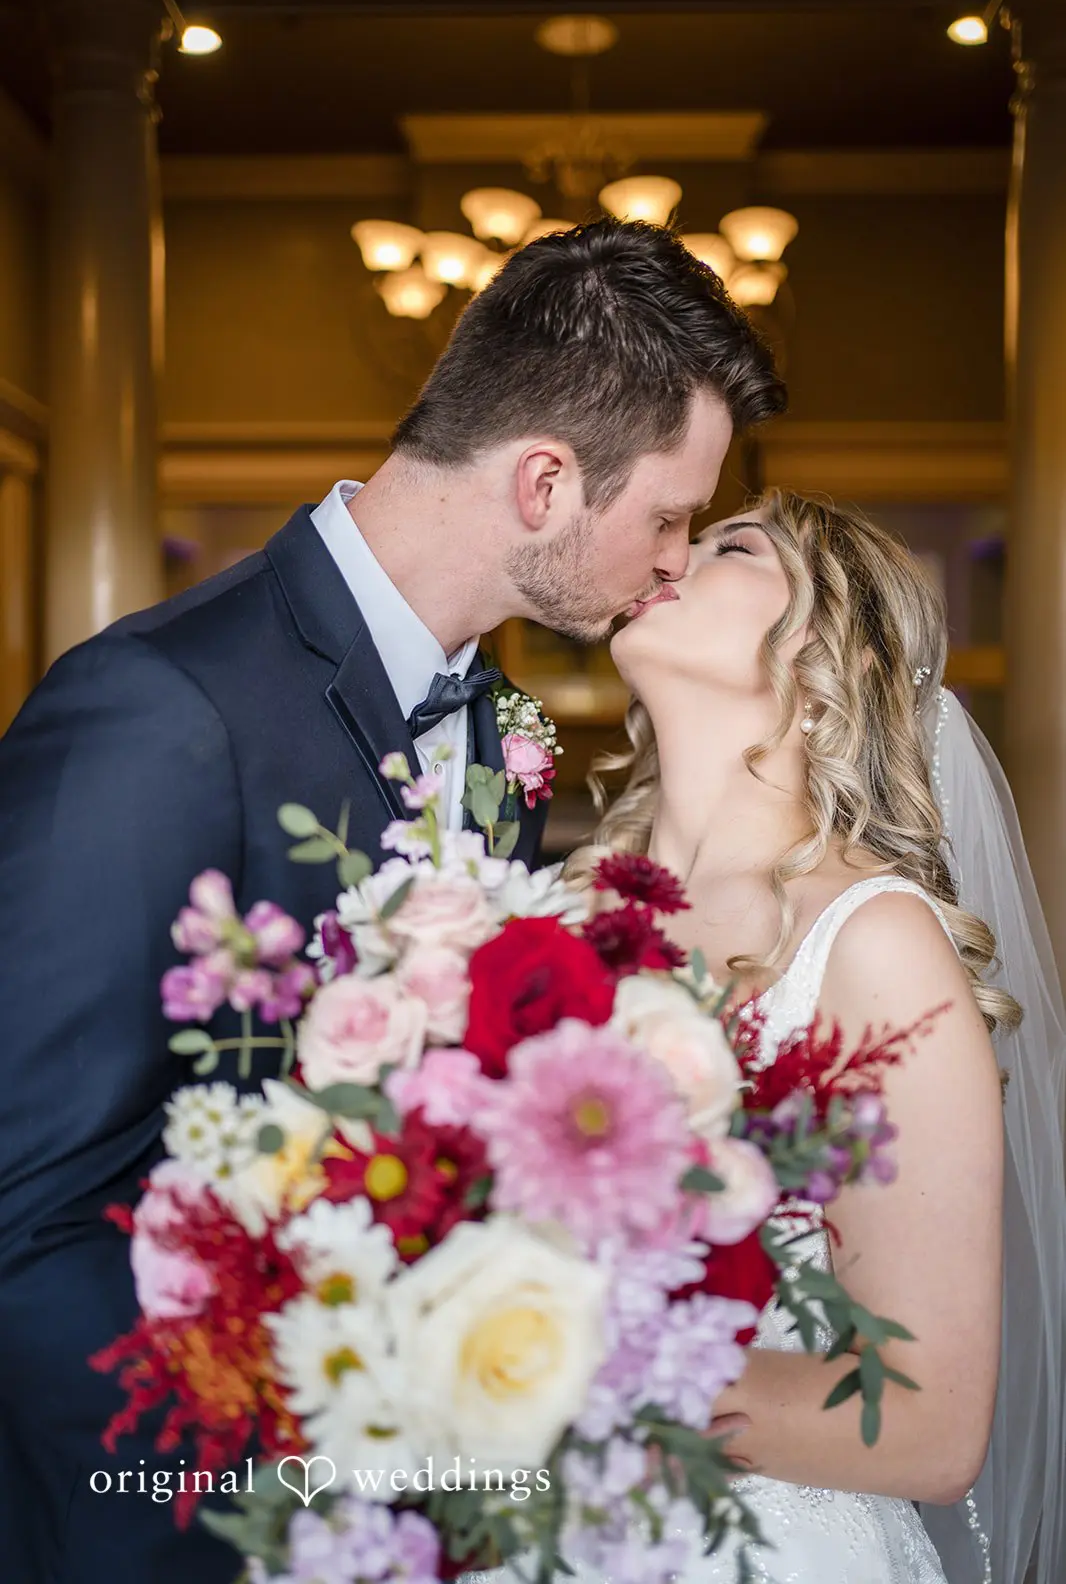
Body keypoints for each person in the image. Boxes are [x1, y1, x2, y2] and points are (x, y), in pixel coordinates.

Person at [0, 221, 784, 1584]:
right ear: (545, 481)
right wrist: (290, 1485)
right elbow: (26, 1212)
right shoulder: (158, 709)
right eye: (665, 517)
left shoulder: (506, 731)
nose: (676, 561)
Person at [565, 489, 1066, 1584]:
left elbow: (929, 1426)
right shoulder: (556, 922)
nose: (665, 553)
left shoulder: (871, 941)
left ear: (831, 649)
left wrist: (566, 1376)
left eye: (728, 543)